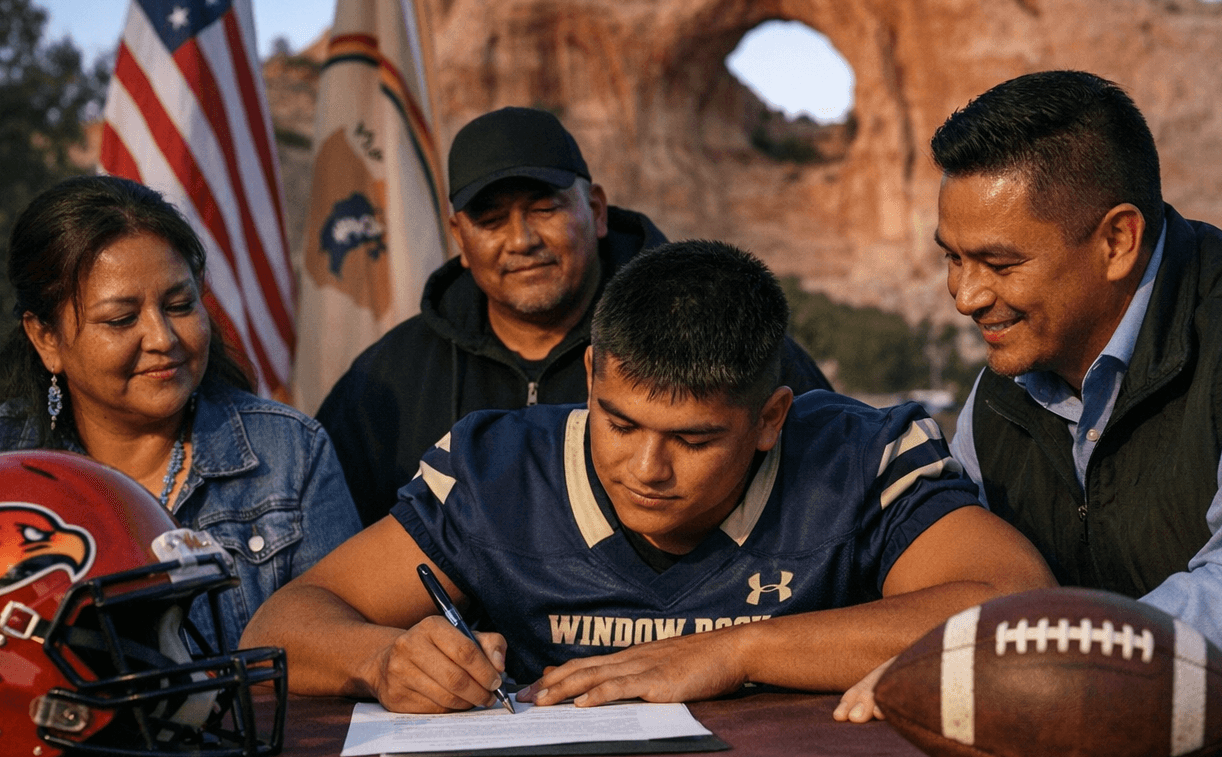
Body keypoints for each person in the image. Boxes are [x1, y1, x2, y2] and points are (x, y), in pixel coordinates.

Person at [242, 240, 1054, 711]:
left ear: (773, 418)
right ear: (591, 376)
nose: (645, 469)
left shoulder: (856, 455)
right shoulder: (498, 471)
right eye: (619, 422)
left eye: (694, 440)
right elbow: (282, 623)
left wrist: (736, 651)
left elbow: (1016, 606)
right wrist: (383, 660)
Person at [923, 70, 1222, 755]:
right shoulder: (1000, 387)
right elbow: (957, 579)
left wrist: (1035, 667)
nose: (966, 296)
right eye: (952, 258)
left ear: (1118, 240)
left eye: (998, 264)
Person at [0, 175, 360, 674]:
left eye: (179, 304)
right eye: (121, 319)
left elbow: (345, 636)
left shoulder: (289, 452)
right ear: (46, 339)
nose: (162, 338)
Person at [315, 106, 831, 526]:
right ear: (460, 239)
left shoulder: (719, 332)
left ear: (598, 211)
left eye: (545, 209)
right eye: (491, 220)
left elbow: (836, 489)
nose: (521, 240)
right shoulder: (385, 381)